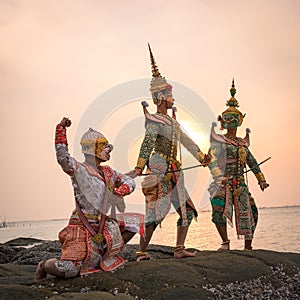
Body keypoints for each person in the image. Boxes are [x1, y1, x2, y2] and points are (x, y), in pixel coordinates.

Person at [35, 117, 144, 280]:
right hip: (82, 225)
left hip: (103, 224)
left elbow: (128, 181)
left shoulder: (108, 172)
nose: (108, 150)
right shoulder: (79, 169)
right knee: (69, 270)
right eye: (104, 147)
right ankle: (44, 265)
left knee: (137, 223)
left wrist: (119, 192)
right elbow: (62, 159)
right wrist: (61, 129)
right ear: (93, 149)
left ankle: (103, 255)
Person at [130, 45, 210, 260]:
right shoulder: (154, 120)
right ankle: (141, 251)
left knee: (186, 210)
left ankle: (179, 248)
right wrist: (140, 165)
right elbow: (148, 143)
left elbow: (186, 141)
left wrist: (202, 157)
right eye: (170, 94)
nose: (173, 98)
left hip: (175, 169)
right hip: (159, 167)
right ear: (161, 96)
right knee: (156, 212)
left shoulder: (173, 122)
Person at [207, 80, 269, 251]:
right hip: (222, 182)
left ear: (239, 121)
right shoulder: (220, 141)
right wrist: (219, 176)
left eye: (234, 118)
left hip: (240, 184)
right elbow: (211, 160)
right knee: (217, 209)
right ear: (224, 122)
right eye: (228, 118)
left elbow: (253, 162)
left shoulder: (242, 144)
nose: (231, 121)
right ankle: (225, 242)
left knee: (252, 213)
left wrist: (261, 180)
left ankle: (248, 246)